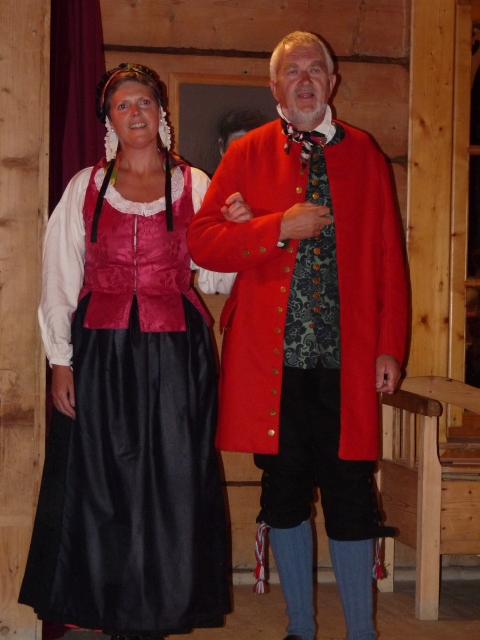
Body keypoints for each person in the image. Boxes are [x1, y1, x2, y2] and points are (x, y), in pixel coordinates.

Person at [187, 31, 407, 640]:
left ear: (332, 83)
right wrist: (276, 227)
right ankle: (300, 629)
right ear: (275, 87)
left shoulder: (365, 153)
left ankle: (361, 632)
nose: (305, 81)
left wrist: (390, 345)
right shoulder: (248, 152)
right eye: (293, 72)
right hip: (272, 363)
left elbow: (390, 258)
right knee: (282, 490)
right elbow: (203, 242)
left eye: (315, 70)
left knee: (351, 493)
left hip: (348, 359)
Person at [18, 63, 231, 639]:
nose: (135, 113)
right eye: (123, 105)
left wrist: (236, 230)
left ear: (161, 112)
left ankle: (159, 612)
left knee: (172, 480)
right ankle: (108, 610)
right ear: (108, 119)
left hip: (176, 353)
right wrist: (60, 359)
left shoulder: (195, 184)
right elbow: (59, 277)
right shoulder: (85, 187)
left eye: (145, 102)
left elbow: (216, 277)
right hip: (100, 351)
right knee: (99, 481)